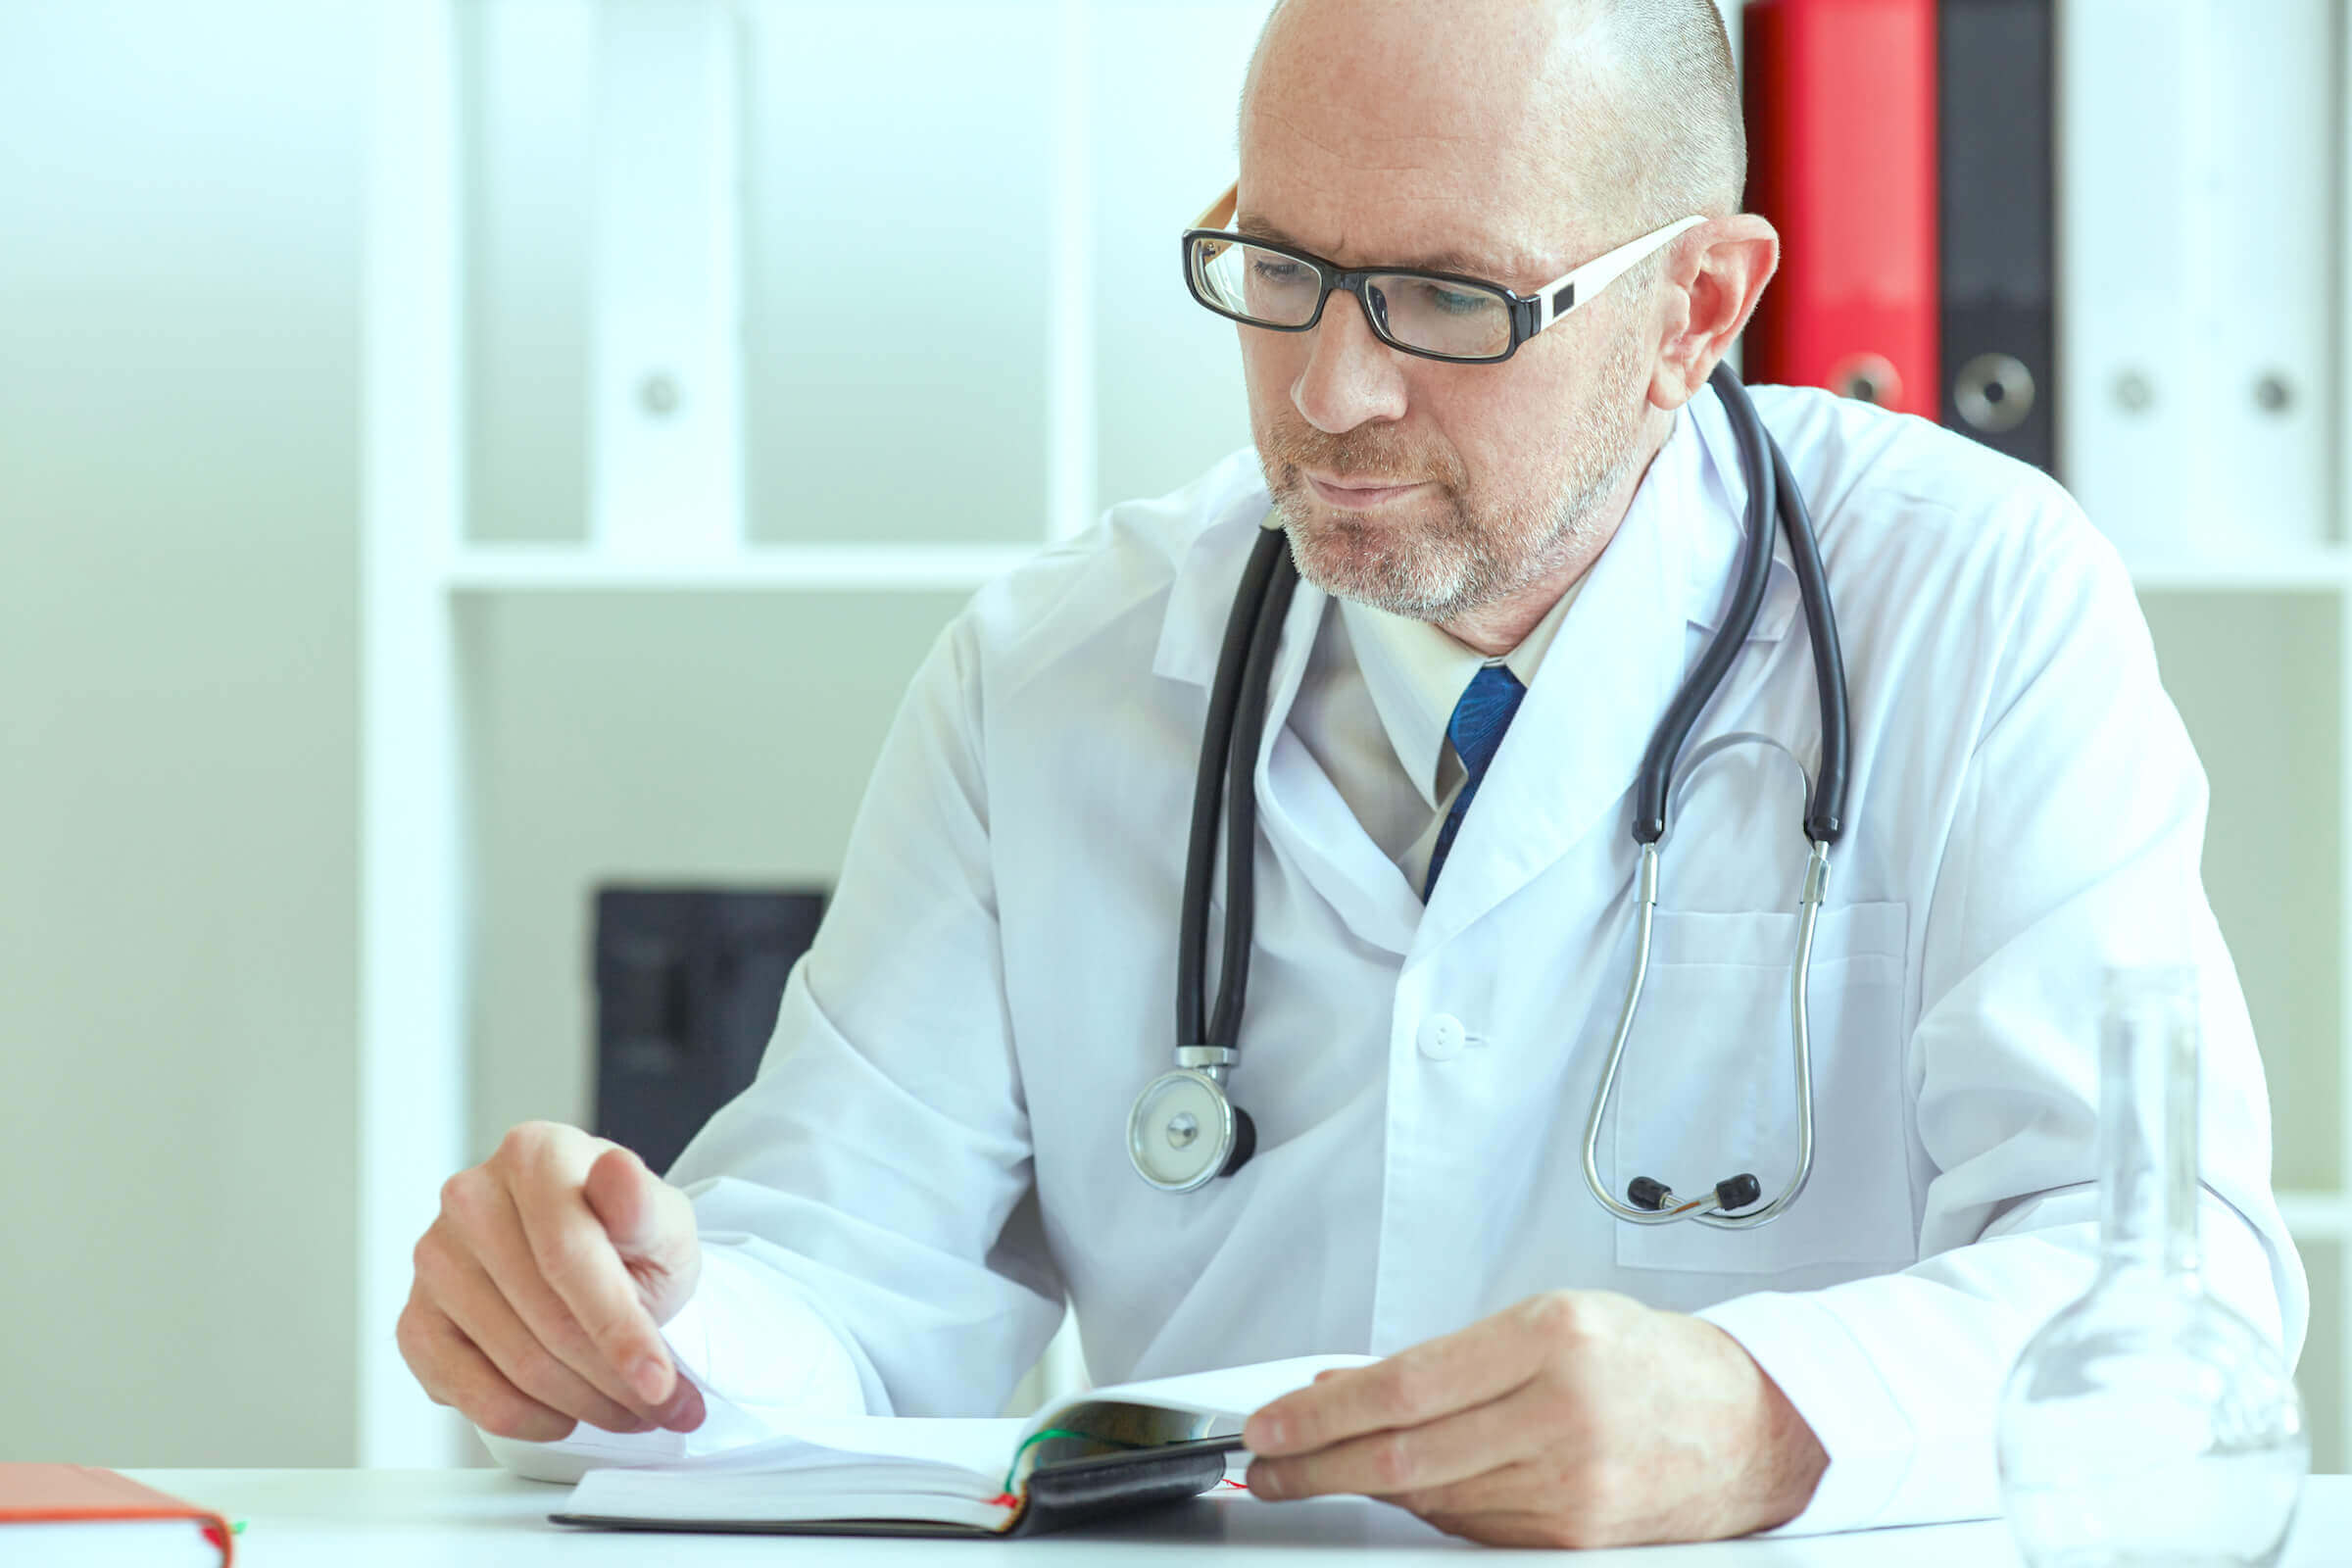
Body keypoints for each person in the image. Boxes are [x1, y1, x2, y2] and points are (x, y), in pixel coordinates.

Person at [396, 0, 2304, 1546]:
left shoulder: (1969, 602)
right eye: (1279, 266)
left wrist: (1765, 1415)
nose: (1331, 390)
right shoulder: (1049, 674)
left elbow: (2181, 1291)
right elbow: (849, 1284)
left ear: (1697, 309)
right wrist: (641, 1324)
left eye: (1448, 300)